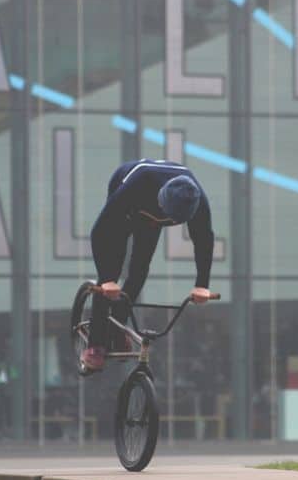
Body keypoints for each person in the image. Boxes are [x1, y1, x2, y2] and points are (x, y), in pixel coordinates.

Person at [81, 158, 215, 373]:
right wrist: (106, 279)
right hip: (129, 207)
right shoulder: (138, 184)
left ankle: (116, 329)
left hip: (149, 217)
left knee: (140, 269)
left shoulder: (197, 200)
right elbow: (100, 231)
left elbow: (204, 240)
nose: (167, 220)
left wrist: (202, 284)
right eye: (166, 215)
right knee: (112, 271)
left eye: (173, 220)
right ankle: (95, 344)